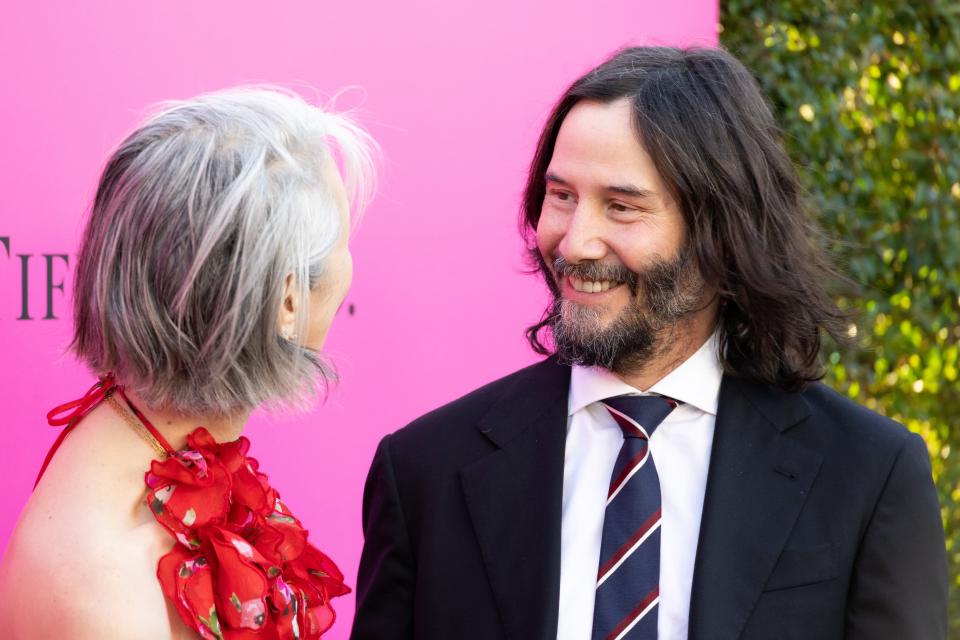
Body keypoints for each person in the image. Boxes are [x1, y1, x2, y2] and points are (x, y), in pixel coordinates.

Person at [350, 47, 947, 640]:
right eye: (562, 196)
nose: (576, 242)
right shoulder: (425, 472)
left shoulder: (866, 476)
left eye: (621, 206)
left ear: (720, 232)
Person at [0, 87, 377, 639]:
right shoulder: (114, 592)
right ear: (289, 301)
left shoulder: (143, 441)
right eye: (346, 242)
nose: (352, 266)